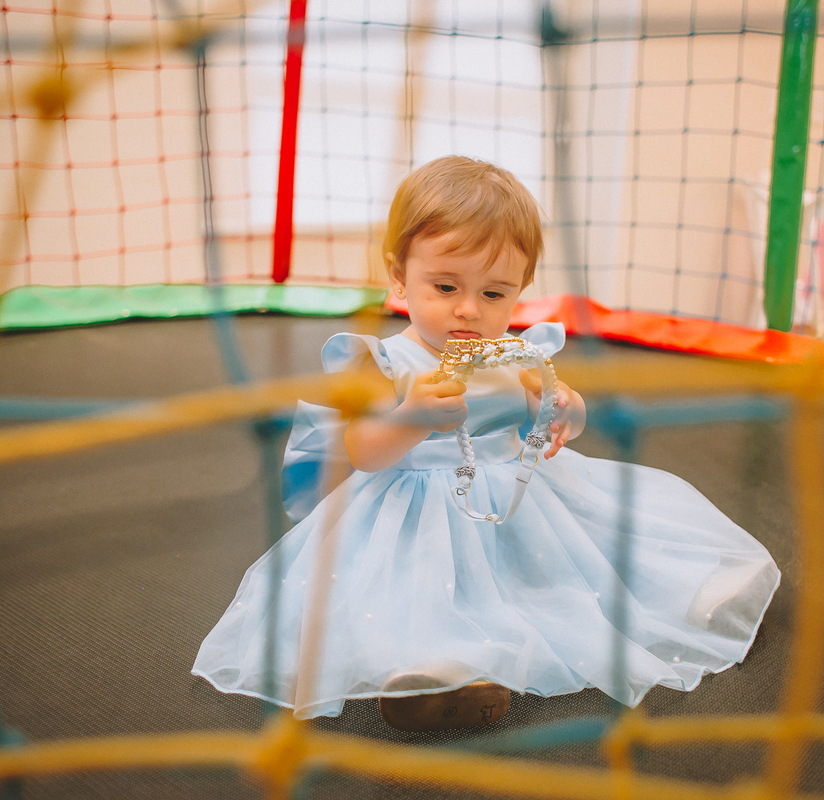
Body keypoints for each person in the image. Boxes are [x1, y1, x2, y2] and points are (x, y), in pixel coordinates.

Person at [192, 156, 780, 729]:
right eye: (445, 286)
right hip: (410, 514)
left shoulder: (517, 355)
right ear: (399, 275)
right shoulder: (382, 360)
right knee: (418, 591)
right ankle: (434, 671)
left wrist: (561, 413)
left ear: (520, 291)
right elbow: (362, 452)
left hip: (519, 504)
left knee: (581, 563)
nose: (469, 310)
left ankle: (688, 589)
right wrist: (411, 417)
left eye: (495, 295)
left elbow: (555, 411)